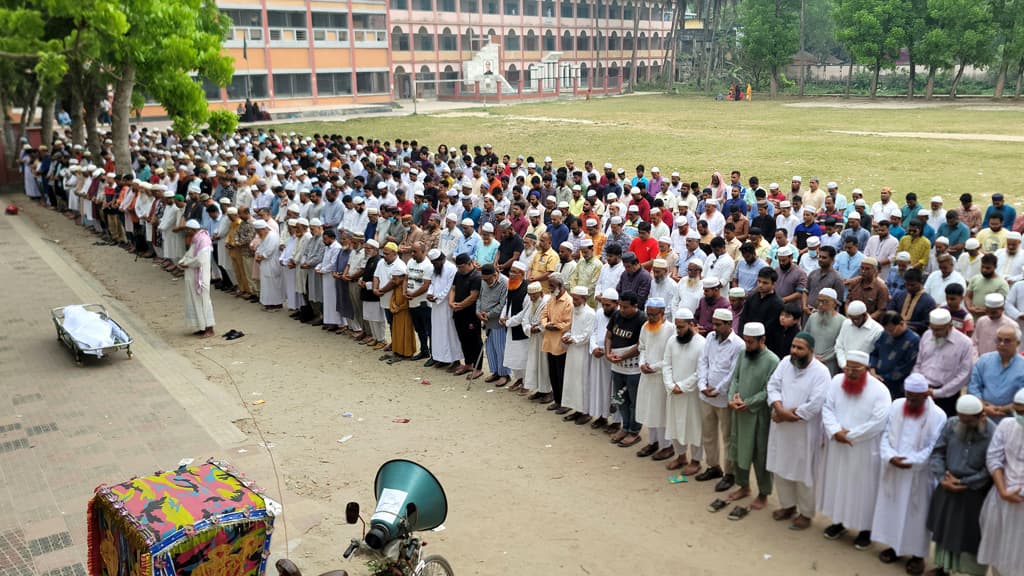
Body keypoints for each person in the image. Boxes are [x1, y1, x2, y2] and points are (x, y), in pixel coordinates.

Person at [870, 374, 947, 575]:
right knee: (893, 511)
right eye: (908, 396)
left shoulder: (938, 415)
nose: (910, 401)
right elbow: (885, 434)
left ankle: (917, 556)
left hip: (918, 476)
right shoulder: (896, 405)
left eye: (915, 397)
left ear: (925, 395)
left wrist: (912, 462)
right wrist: (890, 456)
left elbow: (934, 447)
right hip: (894, 468)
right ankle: (894, 548)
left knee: (916, 517)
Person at [820, 350, 892, 550]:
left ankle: (865, 530)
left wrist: (850, 435)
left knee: (863, 490)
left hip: (863, 449)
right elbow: (827, 408)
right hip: (839, 445)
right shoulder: (836, 382)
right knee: (839, 485)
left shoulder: (879, 390)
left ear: (867, 369)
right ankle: (839, 522)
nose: (850, 373)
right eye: (847, 368)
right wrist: (835, 431)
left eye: (855, 369)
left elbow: (879, 421)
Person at [712, 321, 779, 520]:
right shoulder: (743, 354)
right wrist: (733, 396)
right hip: (739, 412)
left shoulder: (773, 361)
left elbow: (770, 390)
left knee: (759, 455)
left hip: (758, 416)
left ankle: (763, 493)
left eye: (751, 343)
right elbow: (736, 378)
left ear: (762, 340)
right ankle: (744, 486)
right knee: (737, 449)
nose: (747, 346)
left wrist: (748, 402)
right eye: (746, 342)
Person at [766, 332, 830, 530]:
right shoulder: (786, 362)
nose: (794, 351)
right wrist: (778, 408)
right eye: (793, 346)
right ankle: (788, 506)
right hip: (782, 427)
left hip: (804, 431)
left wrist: (785, 415)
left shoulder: (821, 372)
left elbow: (816, 403)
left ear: (811, 351)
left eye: (799, 348)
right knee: (780, 467)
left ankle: (806, 513)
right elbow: (773, 385)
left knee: (804, 473)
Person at [926, 394, 995, 576]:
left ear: (982, 417)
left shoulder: (993, 433)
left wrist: (965, 482)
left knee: (970, 536)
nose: (963, 424)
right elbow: (938, 452)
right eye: (961, 420)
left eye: (968, 422)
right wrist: (942, 477)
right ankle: (943, 568)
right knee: (945, 530)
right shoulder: (952, 424)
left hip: (974, 492)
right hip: (947, 484)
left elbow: (991, 468)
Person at [976, 388, 1024, 576]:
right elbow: (993, 458)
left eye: (1023, 412)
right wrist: (1003, 490)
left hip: (1020, 502)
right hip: (1000, 498)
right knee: (998, 550)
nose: (1018, 416)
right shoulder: (1006, 425)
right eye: (1016, 411)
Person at [695, 308, 744, 490]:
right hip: (706, 395)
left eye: (718, 324)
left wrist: (718, 389)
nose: (714, 327)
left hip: (724, 399)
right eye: (713, 323)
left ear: (729, 324)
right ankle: (713, 466)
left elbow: (733, 373)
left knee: (727, 437)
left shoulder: (738, 345)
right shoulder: (710, 338)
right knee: (708, 434)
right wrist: (702, 385)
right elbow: (703, 362)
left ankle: (729, 473)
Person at [662, 307, 707, 474]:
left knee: (694, 427)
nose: (678, 331)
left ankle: (696, 461)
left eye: (681, 327)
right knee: (674, 424)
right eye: (676, 327)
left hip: (692, 394)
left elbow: (701, 371)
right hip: (673, 391)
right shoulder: (672, 341)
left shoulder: (702, 343)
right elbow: (666, 364)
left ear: (691, 324)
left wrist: (682, 386)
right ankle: (681, 456)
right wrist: (670, 385)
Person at [914, 308, 976, 416]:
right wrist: (917, 384)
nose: (935, 333)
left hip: (946, 396)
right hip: (921, 391)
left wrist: (938, 393)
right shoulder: (927, 335)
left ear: (950, 326)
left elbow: (964, 374)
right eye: (933, 329)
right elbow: (918, 363)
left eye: (938, 330)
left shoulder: (965, 343)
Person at [635, 297, 676, 460]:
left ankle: (667, 446)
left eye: (654, 315)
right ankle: (653, 442)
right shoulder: (645, 326)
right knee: (649, 409)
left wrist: (655, 367)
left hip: (661, 377)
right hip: (647, 374)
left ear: (662, 312)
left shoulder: (671, 329)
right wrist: (642, 363)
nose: (650, 318)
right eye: (648, 314)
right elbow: (642, 347)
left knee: (661, 411)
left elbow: (671, 355)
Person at [606, 291, 647, 448]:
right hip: (617, 366)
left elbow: (640, 345)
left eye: (626, 307)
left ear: (635, 306)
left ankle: (634, 431)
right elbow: (609, 336)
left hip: (633, 368)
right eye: (621, 306)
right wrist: (608, 353)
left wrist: (623, 357)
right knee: (619, 398)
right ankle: (625, 427)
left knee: (633, 401)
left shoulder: (642, 319)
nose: (622, 310)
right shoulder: (617, 315)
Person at [968, 324, 1024, 423]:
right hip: (982, 416)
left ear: (1018, 343)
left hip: (1012, 419)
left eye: (1007, 341)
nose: (1002, 344)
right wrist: (984, 406)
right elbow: (973, 387)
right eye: (999, 340)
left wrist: (1002, 409)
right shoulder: (984, 360)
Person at [560, 286, 595, 423]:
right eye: (573, 298)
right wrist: (567, 335)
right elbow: (572, 328)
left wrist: (573, 339)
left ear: (584, 299)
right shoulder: (574, 310)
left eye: (576, 299)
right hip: (572, 351)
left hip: (583, 352)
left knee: (582, 382)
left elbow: (587, 335)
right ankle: (576, 409)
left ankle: (585, 412)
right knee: (572, 381)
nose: (574, 301)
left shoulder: (590, 313)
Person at [426, 249, 463, 369]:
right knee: (438, 333)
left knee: (449, 333)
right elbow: (432, 283)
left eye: (435, 263)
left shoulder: (451, 268)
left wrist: (438, 297)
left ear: (441, 259)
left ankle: (455, 360)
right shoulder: (435, 268)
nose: (433, 265)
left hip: (447, 305)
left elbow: (450, 288)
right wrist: (430, 294)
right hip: (436, 306)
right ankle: (442, 358)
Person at [178, 220, 215, 337]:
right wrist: (183, 261)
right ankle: (201, 326)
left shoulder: (203, 240)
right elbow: (189, 254)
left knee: (204, 301)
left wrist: (187, 263)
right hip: (192, 273)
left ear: (192, 229)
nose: (186, 232)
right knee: (195, 301)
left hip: (201, 276)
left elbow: (200, 260)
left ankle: (209, 328)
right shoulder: (195, 238)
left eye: (187, 230)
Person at [871, 311, 921, 398]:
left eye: (891, 330)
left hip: (896, 385)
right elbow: (874, 352)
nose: (889, 333)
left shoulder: (913, 340)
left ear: (902, 324)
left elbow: (905, 367)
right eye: (886, 330)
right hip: (876, 378)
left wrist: (881, 378)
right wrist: (872, 369)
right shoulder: (885, 334)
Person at [499, 261, 531, 391]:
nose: (511, 274)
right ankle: (518, 379)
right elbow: (507, 303)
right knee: (513, 356)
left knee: (523, 357)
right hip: (510, 327)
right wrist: (502, 316)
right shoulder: (511, 285)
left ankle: (526, 383)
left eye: (514, 272)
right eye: (510, 271)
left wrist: (509, 322)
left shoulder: (527, 290)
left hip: (521, 329)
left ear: (522, 274)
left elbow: (524, 313)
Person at [450, 253, 483, 377]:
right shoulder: (458, 274)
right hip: (458, 313)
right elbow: (453, 288)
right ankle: (468, 363)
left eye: (462, 267)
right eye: (458, 267)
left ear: (470, 264)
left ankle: (478, 367)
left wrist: (460, 305)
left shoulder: (476, 277)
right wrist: (451, 302)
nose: (460, 269)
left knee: (474, 340)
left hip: (471, 314)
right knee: (463, 339)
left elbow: (473, 296)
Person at [476, 263, 509, 383]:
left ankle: (504, 374)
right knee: (490, 349)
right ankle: (495, 372)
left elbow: (503, 304)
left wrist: (489, 315)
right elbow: (479, 297)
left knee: (500, 348)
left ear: (495, 275)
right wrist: (478, 312)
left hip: (497, 321)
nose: (486, 282)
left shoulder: (505, 283)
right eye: (484, 279)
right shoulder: (484, 281)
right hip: (485, 320)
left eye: (488, 279)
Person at [805, 288, 845, 375]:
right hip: (810, 361)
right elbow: (805, 338)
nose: (820, 305)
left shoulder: (842, 321)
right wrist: (810, 355)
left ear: (834, 303)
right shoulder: (813, 317)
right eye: (819, 301)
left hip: (829, 364)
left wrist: (824, 358)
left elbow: (841, 345)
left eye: (824, 302)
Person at [835, 300, 883, 370]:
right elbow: (839, 346)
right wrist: (844, 365)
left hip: (863, 370)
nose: (853, 321)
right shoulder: (846, 323)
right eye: (851, 318)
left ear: (865, 315)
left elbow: (876, 356)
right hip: (844, 368)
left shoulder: (877, 330)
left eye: (856, 319)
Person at [253, 219, 285, 311]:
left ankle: (276, 304)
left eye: (259, 231)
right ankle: (269, 303)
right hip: (265, 264)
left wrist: (261, 256)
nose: (258, 234)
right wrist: (258, 254)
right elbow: (260, 247)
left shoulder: (272, 236)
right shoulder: (265, 236)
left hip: (272, 263)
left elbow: (269, 250)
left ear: (263, 229)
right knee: (267, 285)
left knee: (273, 285)